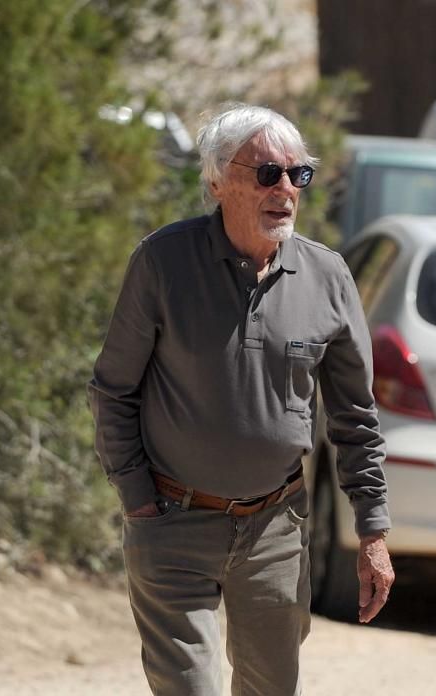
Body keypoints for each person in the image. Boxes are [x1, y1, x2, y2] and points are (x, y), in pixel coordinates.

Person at [87, 103, 394, 696]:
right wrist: (138, 501)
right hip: (172, 524)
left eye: (297, 175)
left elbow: (355, 418)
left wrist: (373, 532)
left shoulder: (329, 278)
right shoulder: (163, 262)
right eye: (266, 174)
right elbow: (113, 390)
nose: (285, 189)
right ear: (217, 181)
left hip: (276, 528)